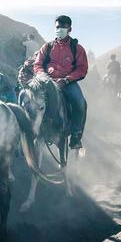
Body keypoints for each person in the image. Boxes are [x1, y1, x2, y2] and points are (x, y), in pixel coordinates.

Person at [33, 15, 88, 149]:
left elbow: (82, 69)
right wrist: (43, 76)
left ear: (70, 29)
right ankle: (30, 132)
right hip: (47, 82)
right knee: (30, 101)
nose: (60, 29)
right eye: (58, 27)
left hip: (68, 83)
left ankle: (75, 136)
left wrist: (67, 79)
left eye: (63, 27)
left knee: (81, 104)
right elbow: (37, 64)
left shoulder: (77, 48)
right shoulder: (47, 47)